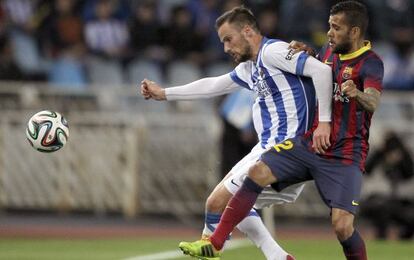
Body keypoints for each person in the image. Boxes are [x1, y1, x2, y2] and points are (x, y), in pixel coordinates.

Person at [179, 1, 384, 260]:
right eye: (329, 26)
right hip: (310, 144)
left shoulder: (371, 63)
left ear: (354, 32)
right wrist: (307, 52)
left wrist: (358, 94)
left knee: (342, 226)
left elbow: (374, 101)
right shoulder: (329, 52)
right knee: (256, 172)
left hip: (345, 154)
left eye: (336, 27)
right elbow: (314, 70)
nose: (329, 32)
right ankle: (215, 243)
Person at [140, 5, 333, 260]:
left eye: (228, 39)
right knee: (236, 205)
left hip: (283, 149)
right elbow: (214, 85)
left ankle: (210, 249)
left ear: (248, 31)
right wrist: (165, 94)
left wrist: (324, 123)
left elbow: (321, 70)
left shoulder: (273, 51)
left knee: (215, 204)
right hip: (274, 150)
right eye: (222, 42)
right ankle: (278, 256)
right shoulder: (250, 68)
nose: (225, 48)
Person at [362, 131, 414, 240]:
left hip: (397, 200)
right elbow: (367, 169)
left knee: (408, 214)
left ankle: (404, 240)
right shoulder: (378, 156)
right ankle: (381, 238)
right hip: (375, 199)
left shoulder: (403, 158)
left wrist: (402, 155)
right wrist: (380, 152)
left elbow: (409, 173)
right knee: (382, 209)